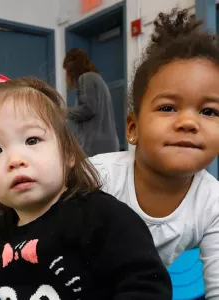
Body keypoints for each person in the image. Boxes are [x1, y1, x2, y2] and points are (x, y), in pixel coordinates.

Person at [0, 77, 172, 300]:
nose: (14, 160)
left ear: (68, 153)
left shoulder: (100, 216)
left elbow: (146, 283)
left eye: (32, 140)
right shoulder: (4, 232)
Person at [88, 8, 219, 299]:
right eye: (168, 108)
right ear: (133, 128)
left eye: (209, 111)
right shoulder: (98, 177)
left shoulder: (213, 204)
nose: (188, 122)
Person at [63, 48, 119, 156]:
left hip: (95, 148)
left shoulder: (86, 78)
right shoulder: (97, 79)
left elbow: (88, 109)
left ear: (71, 68)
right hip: (105, 146)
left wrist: (62, 112)